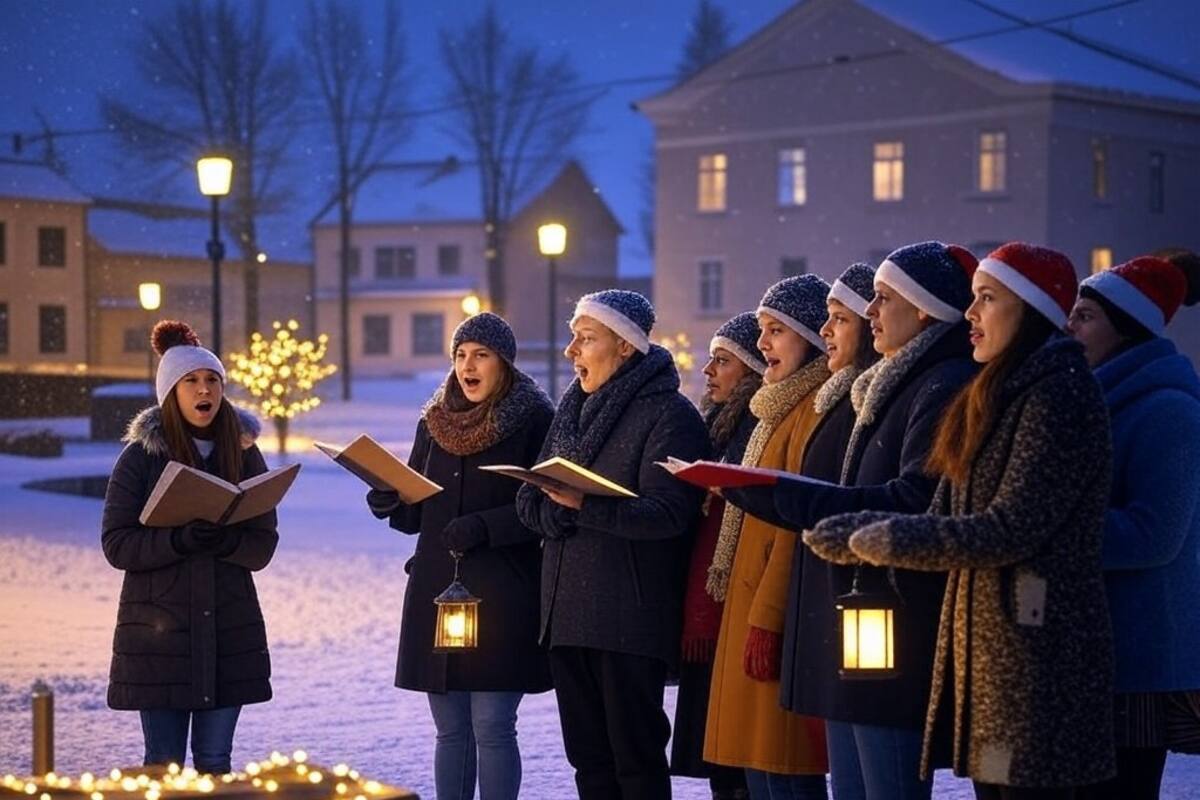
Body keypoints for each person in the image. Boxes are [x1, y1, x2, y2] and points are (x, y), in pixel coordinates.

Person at [808, 242, 1118, 799]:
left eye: (987, 299)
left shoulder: (1058, 395)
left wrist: (883, 537)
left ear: (1030, 310)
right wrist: (853, 534)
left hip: (1038, 660)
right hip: (994, 663)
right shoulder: (994, 396)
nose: (970, 314)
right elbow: (946, 511)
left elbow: (1008, 528)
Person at [724, 241, 979, 800]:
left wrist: (798, 502)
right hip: (861, 613)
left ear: (924, 309)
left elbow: (912, 498)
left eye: (882, 300)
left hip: (892, 615)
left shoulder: (937, 383)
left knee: (880, 783)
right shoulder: (888, 385)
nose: (870, 313)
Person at [515, 289, 710, 800]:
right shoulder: (571, 410)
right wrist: (553, 508)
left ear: (625, 346)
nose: (571, 351)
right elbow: (528, 499)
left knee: (636, 763)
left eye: (585, 338)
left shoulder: (670, 415)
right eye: (572, 337)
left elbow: (670, 514)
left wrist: (584, 506)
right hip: (567, 617)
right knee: (589, 765)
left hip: (629, 620)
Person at [366, 312, 554, 800]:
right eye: (461, 355)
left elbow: (550, 505)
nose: (469, 365)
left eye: (482, 355)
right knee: (450, 729)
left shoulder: (535, 419)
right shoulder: (433, 422)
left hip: (504, 590)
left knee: (492, 724)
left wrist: (486, 526)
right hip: (436, 589)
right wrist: (390, 501)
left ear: (504, 364)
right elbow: (417, 512)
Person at [101, 320, 278, 774]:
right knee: (163, 766)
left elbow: (261, 547)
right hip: (159, 636)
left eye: (212, 381)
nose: (205, 391)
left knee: (216, 762)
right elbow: (117, 544)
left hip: (228, 630)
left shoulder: (243, 453)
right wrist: (177, 540)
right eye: (192, 381)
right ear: (171, 393)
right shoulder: (140, 458)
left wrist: (227, 540)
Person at [1068, 254, 1200, 800]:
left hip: (1137, 657)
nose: (1070, 326)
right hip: (1098, 651)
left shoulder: (1167, 411)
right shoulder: (1102, 399)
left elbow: (1155, 535)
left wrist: (1052, 535)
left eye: (1086, 316)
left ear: (1126, 327)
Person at [703, 275, 833, 799]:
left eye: (775, 330)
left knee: (783, 771)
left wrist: (768, 619)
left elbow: (792, 525)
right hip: (749, 597)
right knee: (758, 770)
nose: (763, 344)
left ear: (810, 338)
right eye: (762, 330)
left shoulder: (812, 409)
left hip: (772, 608)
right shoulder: (774, 408)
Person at [777, 263, 879, 719]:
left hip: (861, 601)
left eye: (840, 318)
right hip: (827, 595)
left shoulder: (853, 403)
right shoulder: (838, 397)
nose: (826, 330)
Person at [671, 312, 764, 800]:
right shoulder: (715, 423)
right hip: (711, 598)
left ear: (750, 370)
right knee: (722, 756)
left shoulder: (756, 426)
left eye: (722, 361)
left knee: (743, 757)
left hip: (736, 601)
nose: (708, 371)